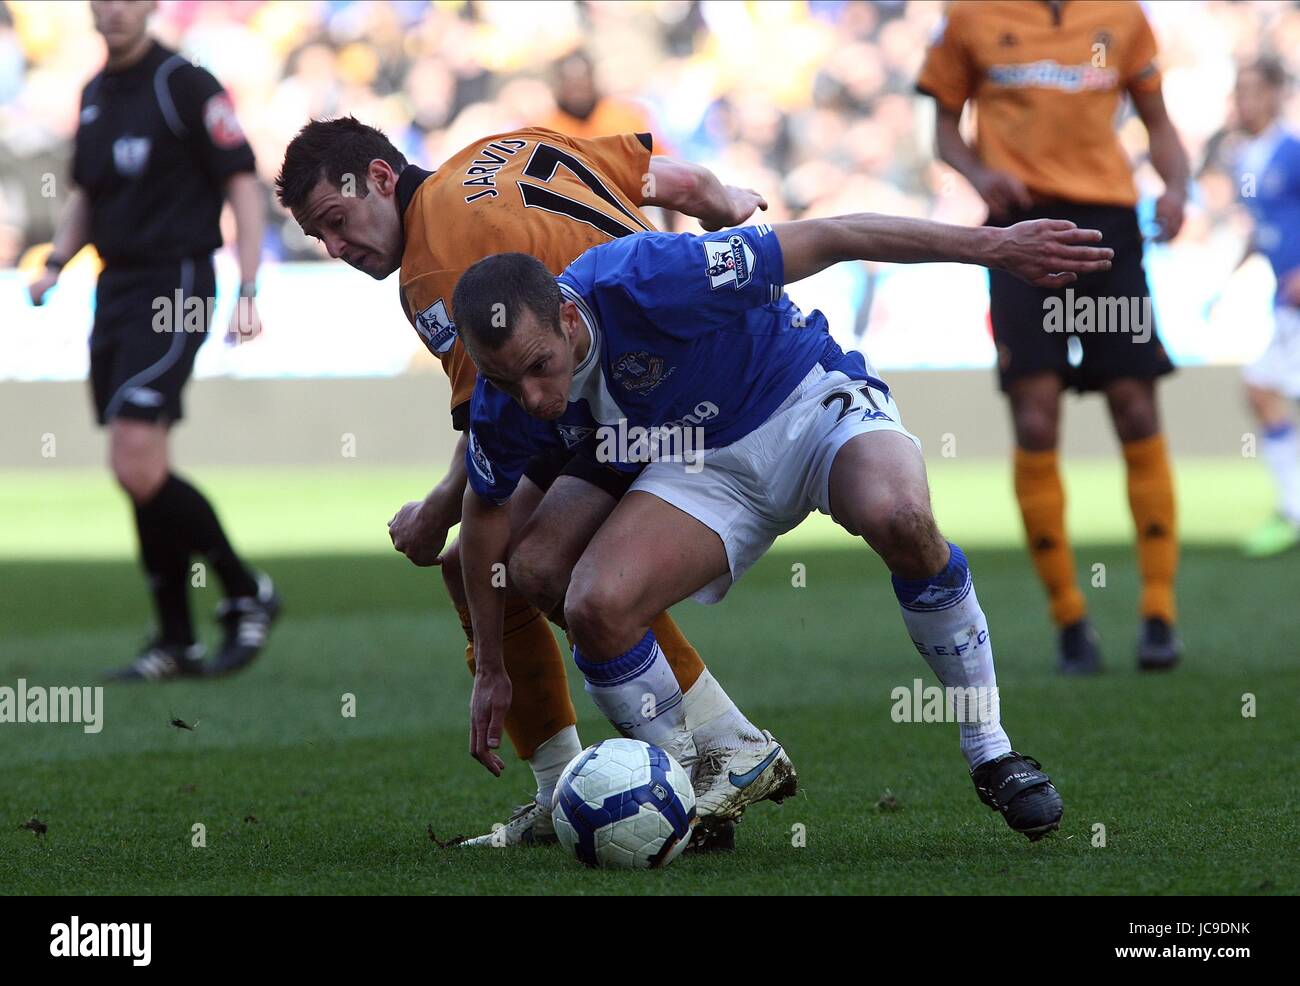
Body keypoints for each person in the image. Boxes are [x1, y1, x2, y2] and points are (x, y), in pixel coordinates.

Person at [453, 214, 1115, 840]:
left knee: (903, 519)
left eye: (541, 367)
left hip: (807, 402)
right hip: (702, 462)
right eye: (509, 382)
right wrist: (490, 664)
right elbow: (483, 517)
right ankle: (683, 795)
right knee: (595, 606)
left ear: (569, 317)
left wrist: (993, 247)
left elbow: (835, 234)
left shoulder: (650, 278)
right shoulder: (503, 391)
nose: (533, 399)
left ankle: (990, 749)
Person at [275, 117, 792, 846]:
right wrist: (725, 202)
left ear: (382, 179)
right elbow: (671, 179)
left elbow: (493, 432)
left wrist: (431, 511)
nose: (335, 247)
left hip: (642, 381)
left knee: (534, 564)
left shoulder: (433, 269)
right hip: (683, 351)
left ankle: (716, 749)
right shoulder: (503, 147)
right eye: (317, 238)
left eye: (336, 220)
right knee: (478, 563)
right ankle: (572, 784)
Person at [917, 0, 1189, 673]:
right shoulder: (970, 17)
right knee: (1036, 419)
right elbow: (945, 131)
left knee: (1135, 405)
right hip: (1019, 230)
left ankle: (1158, 610)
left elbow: (1158, 121)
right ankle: (1070, 618)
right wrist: (980, 176)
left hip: (1109, 229)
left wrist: (1178, 185)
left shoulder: (1121, 15)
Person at [29, 0, 277, 681]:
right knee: (144, 470)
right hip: (113, 290)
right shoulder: (94, 93)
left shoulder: (184, 83)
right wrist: (55, 261)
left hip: (176, 284)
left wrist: (249, 285)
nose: (112, 9)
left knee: (133, 461)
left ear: (150, 7)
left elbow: (241, 184)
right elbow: (87, 192)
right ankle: (176, 640)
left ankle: (245, 590)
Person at [1229, 58, 1300, 557]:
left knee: (1262, 387)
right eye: (1240, 91)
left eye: (1254, 90)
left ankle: (1293, 510)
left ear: (1276, 94)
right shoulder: (1244, 157)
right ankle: (1293, 508)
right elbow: (1263, 225)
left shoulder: (1291, 152)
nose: (1245, 100)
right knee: (1264, 390)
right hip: (1284, 297)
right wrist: (1237, 267)